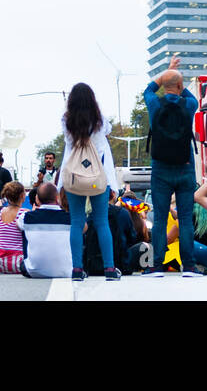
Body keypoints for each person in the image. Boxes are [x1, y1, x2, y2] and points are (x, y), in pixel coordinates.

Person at [59, 83, 120, 282]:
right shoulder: (100, 121)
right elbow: (107, 135)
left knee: (76, 222)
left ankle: (77, 269)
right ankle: (109, 269)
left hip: (75, 176)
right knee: (102, 222)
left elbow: (68, 148)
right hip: (97, 177)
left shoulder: (67, 121)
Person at [143, 56, 198, 277]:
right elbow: (187, 94)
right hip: (185, 169)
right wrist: (176, 79)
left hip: (160, 169)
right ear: (180, 86)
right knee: (185, 219)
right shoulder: (190, 105)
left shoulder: (154, 104)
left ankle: (157, 266)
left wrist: (166, 73)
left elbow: (149, 89)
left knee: (160, 218)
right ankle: (190, 266)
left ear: (164, 86)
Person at [20, 182, 71, 278]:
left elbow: (17, 225)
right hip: (66, 271)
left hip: (34, 271)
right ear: (57, 198)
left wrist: (34, 211)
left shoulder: (26, 217)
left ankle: (33, 262)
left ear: (37, 199)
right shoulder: (70, 218)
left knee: (25, 229)